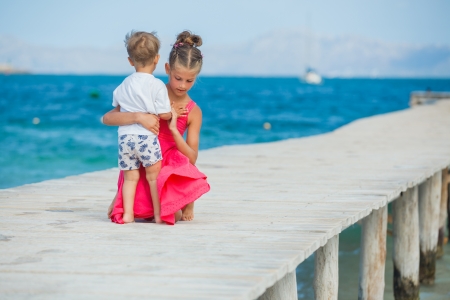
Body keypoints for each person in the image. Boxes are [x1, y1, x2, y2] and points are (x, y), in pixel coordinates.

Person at [103, 31, 210, 225]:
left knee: (172, 215)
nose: (182, 85)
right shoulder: (150, 91)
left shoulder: (194, 112)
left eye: (189, 80)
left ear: (196, 77)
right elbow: (109, 118)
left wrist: (175, 129)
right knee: (134, 205)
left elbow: (192, 158)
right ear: (167, 68)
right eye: (178, 78)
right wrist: (138, 117)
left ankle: (186, 201)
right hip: (144, 161)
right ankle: (124, 199)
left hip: (168, 164)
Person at [112, 31, 172, 224]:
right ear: (157, 59)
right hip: (146, 138)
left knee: (130, 178)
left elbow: (116, 105)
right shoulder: (157, 85)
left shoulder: (124, 83)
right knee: (153, 177)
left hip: (125, 138)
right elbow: (163, 114)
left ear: (130, 61)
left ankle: (128, 214)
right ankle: (157, 215)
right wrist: (171, 113)